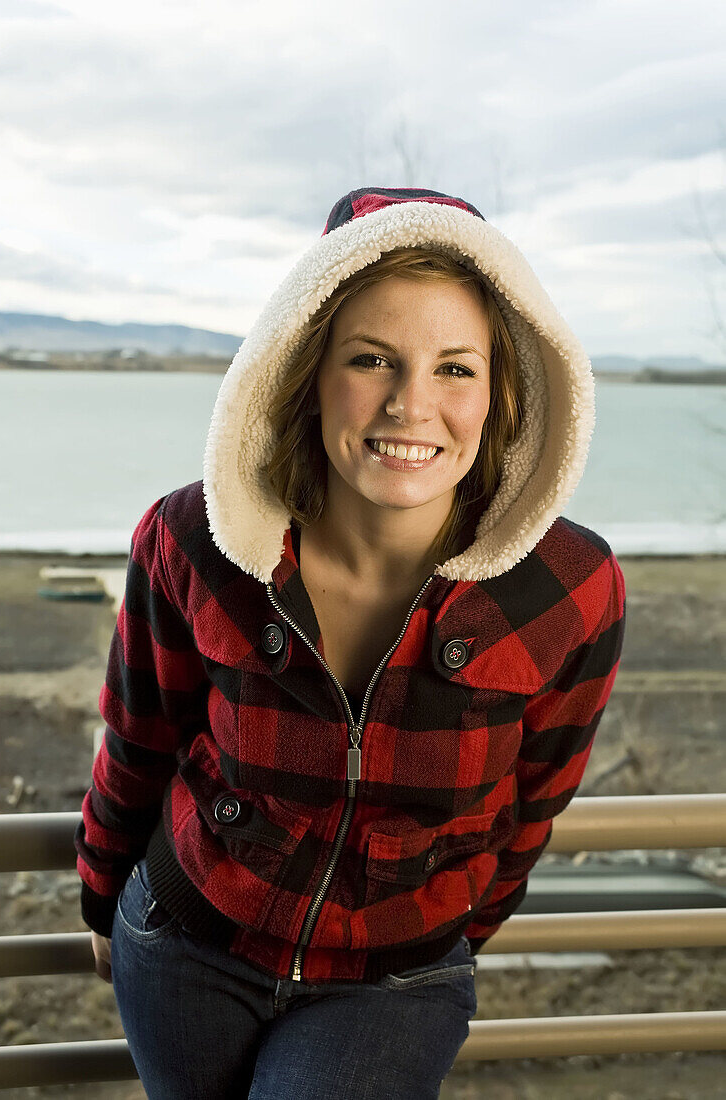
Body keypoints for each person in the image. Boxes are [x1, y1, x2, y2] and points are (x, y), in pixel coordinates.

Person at [74, 185, 626, 1099]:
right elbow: (140, 735)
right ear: (306, 370)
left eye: (455, 368)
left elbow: (535, 800)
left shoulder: (570, 588)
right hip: (185, 945)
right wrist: (101, 895)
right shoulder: (191, 540)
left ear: (500, 394)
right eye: (372, 359)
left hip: (395, 980)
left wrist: (450, 931)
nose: (412, 405)